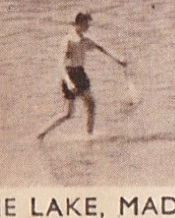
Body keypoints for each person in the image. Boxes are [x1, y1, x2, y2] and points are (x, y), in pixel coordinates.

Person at [38, 12, 127, 140]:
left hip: (80, 73)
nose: (88, 27)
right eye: (86, 24)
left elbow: (100, 48)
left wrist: (118, 59)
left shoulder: (84, 40)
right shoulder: (68, 41)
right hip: (70, 74)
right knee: (68, 113)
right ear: (79, 23)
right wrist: (68, 82)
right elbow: (61, 64)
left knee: (90, 105)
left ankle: (88, 136)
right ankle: (42, 133)